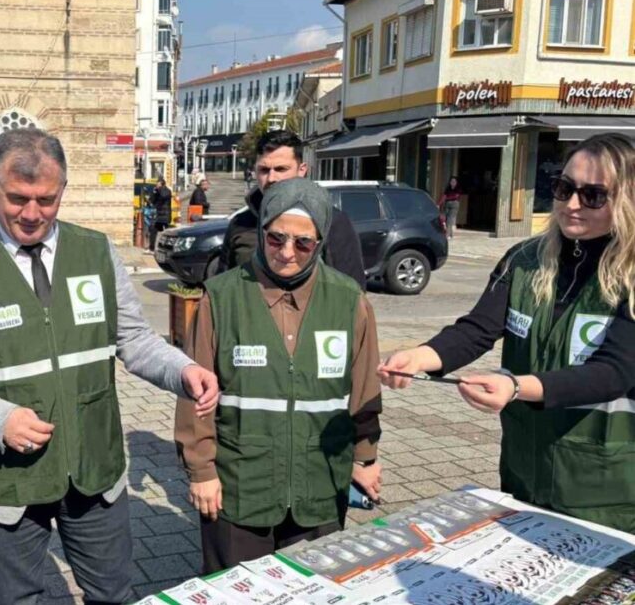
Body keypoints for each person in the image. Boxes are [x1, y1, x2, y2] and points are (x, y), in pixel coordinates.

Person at [0, 128, 220, 605]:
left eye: (46, 199)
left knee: (113, 594)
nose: (32, 214)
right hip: (9, 481)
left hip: (95, 470)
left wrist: (182, 371)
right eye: (17, 198)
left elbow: (133, 340)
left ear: (63, 188)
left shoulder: (95, 251)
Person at [380, 133, 635, 533]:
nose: (571, 205)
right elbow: (478, 329)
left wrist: (517, 388)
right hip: (525, 469)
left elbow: (616, 372)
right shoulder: (526, 260)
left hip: (605, 489)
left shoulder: (630, 275)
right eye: (564, 188)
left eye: (593, 195)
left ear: (626, 201)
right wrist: (420, 357)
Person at [177, 177, 383, 572]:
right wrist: (201, 470)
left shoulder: (348, 300)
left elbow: (364, 391)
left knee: (312, 591)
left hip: (320, 482)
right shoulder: (221, 297)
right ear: (262, 230)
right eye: (276, 239)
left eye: (303, 243)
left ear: (320, 241)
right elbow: (193, 395)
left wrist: (365, 457)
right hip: (241, 483)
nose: (287, 253)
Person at [216, 131, 365, 287]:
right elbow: (224, 287)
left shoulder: (333, 223)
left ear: (302, 170)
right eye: (264, 170)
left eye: (281, 169)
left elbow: (352, 293)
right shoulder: (241, 224)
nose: (271, 178)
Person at [150, 176, 173, 251]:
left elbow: (164, 196)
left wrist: (158, 189)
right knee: (153, 230)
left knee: (167, 232)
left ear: (162, 184)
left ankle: (168, 247)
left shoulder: (167, 191)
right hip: (158, 215)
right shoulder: (157, 191)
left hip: (165, 215)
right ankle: (152, 248)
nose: (156, 185)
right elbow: (152, 201)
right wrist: (154, 192)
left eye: (158, 183)